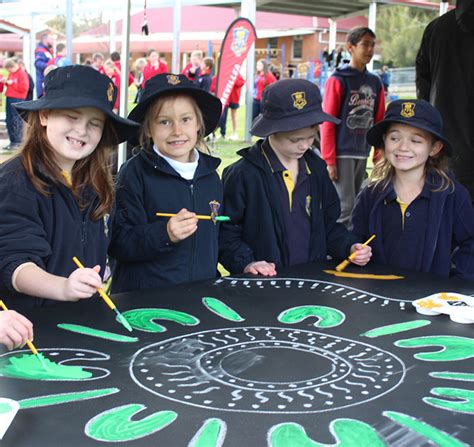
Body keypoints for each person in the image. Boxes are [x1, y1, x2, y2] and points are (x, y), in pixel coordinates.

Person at [0, 65, 139, 309]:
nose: (82, 130)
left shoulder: (93, 181)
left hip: (82, 318)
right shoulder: (15, 181)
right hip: (33, 329)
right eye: (72, 117)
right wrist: (64, 287)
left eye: (94, 123)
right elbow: (15, 264)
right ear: (44, 116)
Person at [219, 78, 372, 276]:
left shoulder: (316, 168)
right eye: (295, 139)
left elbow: (328, 226)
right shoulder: (243, 174)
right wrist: (247, 263)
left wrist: (349, 247)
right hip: (262, 287)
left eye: (310, 137)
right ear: (271, 131)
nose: (305, 146)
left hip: (311, 280)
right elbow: (226, 233)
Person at [108, 73, 223, 293]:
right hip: (146, 302)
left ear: (199, 124)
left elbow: (218, 238)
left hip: (198, 295)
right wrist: (164, 234)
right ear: (148, 128)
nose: (177, 131)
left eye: (186, 120)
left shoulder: (210, 176)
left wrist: (246, 262)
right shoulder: (133, 174)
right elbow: (119, 242)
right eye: (164, 122)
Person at [352, 100, 474, 280]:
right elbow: (355, 237)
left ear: (434, 148)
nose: (403, 147)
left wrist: (457, 284)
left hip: (431, 302)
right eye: (394, 138)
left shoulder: (453, 195)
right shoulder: (370, 194)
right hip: (378, 298)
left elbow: (470, 243)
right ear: (384, 141)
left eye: (416, 140)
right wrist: (354, 249)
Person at [320, 27, 385, 229]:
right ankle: (337, 250)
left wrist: (379, 154)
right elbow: (328, 121)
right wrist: (329, 160)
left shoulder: (375, 82)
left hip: (361, 150)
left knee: (357, 202)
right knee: (344, 205)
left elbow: (380, 121)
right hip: (341, 153)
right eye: (365, 44)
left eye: (372, 45)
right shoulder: (339, 79)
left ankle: (351, 246)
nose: (370, 49)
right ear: (350, 47)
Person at [416, 0, 474, 201]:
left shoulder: (436, 29)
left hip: (446, 154)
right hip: (448, 154)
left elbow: (423, 92)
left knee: (445, 224)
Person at [1, 58, 29, 152]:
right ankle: (12, 141)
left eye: (9, 69)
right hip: (9, 97)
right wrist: (7, 83)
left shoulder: (21, 73)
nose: (8, 72)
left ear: (12, 67)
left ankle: (17, 141)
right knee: (8, 119)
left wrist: (12, 83)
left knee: (16, 119)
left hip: (17, 98)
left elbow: (24, 88)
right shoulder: (12, 73)